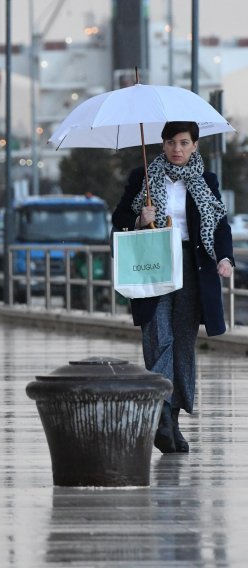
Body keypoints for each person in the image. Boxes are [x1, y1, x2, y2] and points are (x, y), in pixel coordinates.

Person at [112, 121, 234, 454]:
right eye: (170, 143)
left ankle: (172, 420)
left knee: (182, 341)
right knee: (157, 336)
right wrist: (139, 219)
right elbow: (119, 219)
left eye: (183, 143)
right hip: (155, 263)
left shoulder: (206, 181)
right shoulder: (144, 178)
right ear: (162, 145)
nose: (176, 149)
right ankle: (161, 414)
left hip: (193, 267)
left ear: (195, 146)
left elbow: (219, 223)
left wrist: (225, 257)